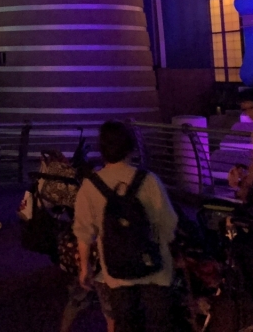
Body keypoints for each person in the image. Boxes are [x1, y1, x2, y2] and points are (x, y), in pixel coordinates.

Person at [73, 121, 177, 332]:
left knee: (126, 324)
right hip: (155, 270)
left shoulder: (90, 186)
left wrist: (85, 267)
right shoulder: (149, 180)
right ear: (131, 148)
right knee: (161, 324)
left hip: (117, 272)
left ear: (102, 150)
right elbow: (168, 223)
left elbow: (84, 232)